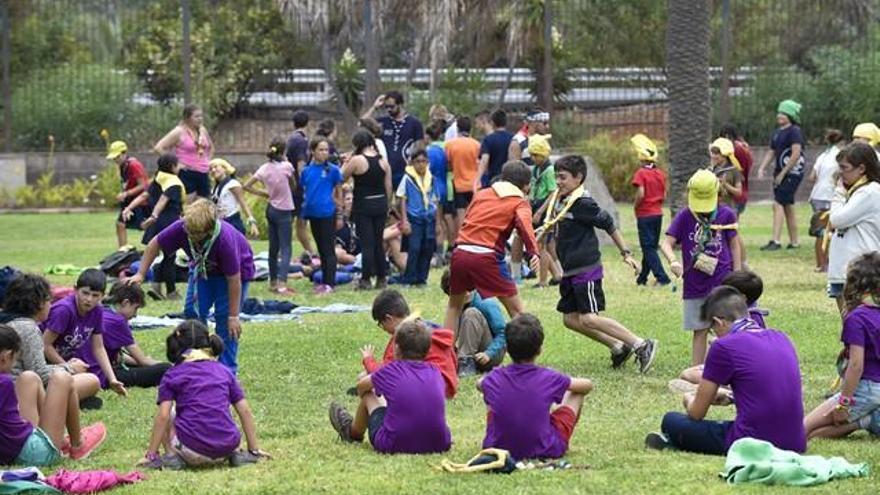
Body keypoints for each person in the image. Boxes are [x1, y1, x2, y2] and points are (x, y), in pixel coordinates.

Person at [645, 286, 806, 455]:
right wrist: (731, 396)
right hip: (795, 441)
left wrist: (688, 398)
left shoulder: (723, 346)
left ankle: (674, 441)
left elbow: (696, 413)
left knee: (671, 420)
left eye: (713, 330)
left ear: (719, 322)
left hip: (752, 441)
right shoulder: (781, 337)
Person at [538, 155, 658, 373]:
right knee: (570, 319)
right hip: (570, 270)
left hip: (586, 268)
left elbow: (608, 224)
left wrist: (626, 253)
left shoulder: (583, 202)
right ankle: (617, 346)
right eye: (556, 177)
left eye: (563, 177)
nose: (558, 181)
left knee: (589, 318)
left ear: (578, 178)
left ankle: (641, 344)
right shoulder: (561, 199)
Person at [129, 199, 255, 375]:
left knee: (225, 320)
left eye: (196, 234)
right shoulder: (184, 226)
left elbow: (234, 280)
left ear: (209, 230)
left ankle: (227, 370)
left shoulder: (225, 239)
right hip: (201, 270)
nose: (191, 236)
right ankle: (200, 359)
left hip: (234, 275)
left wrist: (233, 316)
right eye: (189, 231)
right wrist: (141, 274)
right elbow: (153, 245)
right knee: (193, 311)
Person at [139, 320, 268, 469]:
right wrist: (254, 450)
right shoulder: (224, 371)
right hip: (227, 449)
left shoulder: (172, 374)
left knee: (169, 412)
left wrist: (151, 455)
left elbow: (163, 416)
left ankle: (170, 456)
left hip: (191, 451)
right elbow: (244, 410)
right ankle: (238, 454)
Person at [443, 161, 541, 336]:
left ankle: (445, 358)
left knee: (454, 306)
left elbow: (467, 219)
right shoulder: (519, 202)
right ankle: (525, 358)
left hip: (460, 253)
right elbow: (525, 226)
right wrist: (534, 252)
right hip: (486, 257)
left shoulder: (481, 194)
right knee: (518, 312)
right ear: (527, 186)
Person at [478, 314, 592, 460]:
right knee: (576, 392)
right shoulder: (549, 377)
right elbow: (587, 385)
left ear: (507, 348)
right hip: (546, 448)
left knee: (491, 392)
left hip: (496, 448)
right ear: (539, 349)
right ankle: (563, 440)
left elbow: (480, 384)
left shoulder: (495, 377)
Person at [329, 320, 452, 454]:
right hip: (439, 443)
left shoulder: (390, 371)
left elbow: (361, 386)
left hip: (393, 443)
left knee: (369, 394)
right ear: (427, 350)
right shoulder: (435, 372)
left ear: (397, 349)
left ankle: (352, 433)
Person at [661, 170, 742, 366]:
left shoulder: (726, 214)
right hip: (695, 286)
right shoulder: (685, 216)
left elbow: (734, 245)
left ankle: (729, 370)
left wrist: (737, 275)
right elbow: (666, 243)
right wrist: (673, 261)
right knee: (700, 330)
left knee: (727, 329)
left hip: (722, 283)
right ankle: (697, 372)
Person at [0, 325, 107, 464]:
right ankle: (78, 444)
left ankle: (59, 439)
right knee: (62, 379)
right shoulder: (4, 382)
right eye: (13, 360)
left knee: (28, 378)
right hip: (33, 454)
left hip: (13, 447)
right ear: (5, 357)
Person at [804, 252, 880, 440]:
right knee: (813, 434)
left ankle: (865, 417)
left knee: (802, 429)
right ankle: (865, 420)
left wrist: (843, 404)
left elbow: (856, 366)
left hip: (866, 389)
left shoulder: (856, 318)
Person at [2, 274, 101, 404]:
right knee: (91, 380)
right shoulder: (28, 329)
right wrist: (71, 368)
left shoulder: (7, 321)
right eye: (49, 300)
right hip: (18, 395)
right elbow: (40, 374)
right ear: (39, 303)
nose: (51, 305)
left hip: (11, 388)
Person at [672, 270, 769, 398]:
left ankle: (722, 390)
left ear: (742, 298)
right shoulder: (756, 317)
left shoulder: (735, 318)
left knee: (687, 374)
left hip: (743, 373)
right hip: (756, 372)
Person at [41, 269, 128, 407]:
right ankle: (50, 398)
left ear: (102, 296)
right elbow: (45, 345)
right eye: (85, 293)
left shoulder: (97, 310)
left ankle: (62, 397)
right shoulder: (64, 310)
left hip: (62, 367)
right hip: (44, 366)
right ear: (75, 289)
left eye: (95, 295)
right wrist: (67, 367)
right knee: (91, 383)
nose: (89, 299)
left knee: (93, 389)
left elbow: (98, 347)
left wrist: (112, 379)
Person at [361, 290, 458, 399]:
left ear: (389, 318)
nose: (382, 328)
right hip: (447, 385)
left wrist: (368, 359)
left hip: (428, 389)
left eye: (381, 323)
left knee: (364, 377)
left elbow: (386, 371)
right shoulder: (425, 326)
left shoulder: (403, 334)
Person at [122, 153, 185, 301]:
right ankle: (171, 292)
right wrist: (154, 215)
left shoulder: (159, 179)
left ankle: (156, 286)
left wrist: (128, 208)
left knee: (162, 256)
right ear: (172, 167)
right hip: (168, 221)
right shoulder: (173, 182)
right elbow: (163, 200)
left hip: (157, 223)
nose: (180, 166)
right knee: (170, 257)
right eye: (178, 164)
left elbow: (144, 196)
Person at [826, 141, 880, 315]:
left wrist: (839, 192)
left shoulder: (870, 192)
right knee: (850, 324)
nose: (840, 173)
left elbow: (836, 219)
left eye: (844, 168)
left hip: (862, 271)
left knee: (859, 324)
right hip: (846, 269)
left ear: (862, 169)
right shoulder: (857, 191)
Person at [88, 283, 170, 389]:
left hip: (90, 370)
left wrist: (137, 361)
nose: (135, 315)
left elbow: (116, 355)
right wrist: (161, 364)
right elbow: (143, 361)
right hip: (103, 375)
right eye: (135, 308)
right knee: (165, 369)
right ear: (126, 303)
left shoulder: (102, 311)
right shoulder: (117, 321)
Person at [243, 138, 296, 296]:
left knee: (273, 248)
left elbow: (246, 186)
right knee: (286, 248)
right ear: (284, 151)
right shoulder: (287, 167)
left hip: (271, 208)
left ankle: (273, 282)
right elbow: (293, 185)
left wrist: (264, 193)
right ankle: (282, 284)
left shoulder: (264, 168)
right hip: (284, 210)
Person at [342, 130, 392, 290]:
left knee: (367, 243)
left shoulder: (357, 160)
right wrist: (387, 205)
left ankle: (365, 279)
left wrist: (345, 162)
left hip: (363, 205)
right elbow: (388, 187)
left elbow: (341, 177)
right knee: (378, 241)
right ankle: (382, 278)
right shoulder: (383, 161)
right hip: (381, 203)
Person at [757, 100, 806, 251]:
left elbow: (796, 153)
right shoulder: (778, 133)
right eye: (779, 112)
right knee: (787, 207)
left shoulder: (794, 131)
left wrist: (783, 173)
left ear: (790, 115)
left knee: (777, 203)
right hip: (780, 173)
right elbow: (772, 151)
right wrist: (762, 167)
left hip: (791, 174)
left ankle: (775, 241)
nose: (779, 115)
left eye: (783, 113)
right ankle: (794, 242)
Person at [440, 269, 507, 376]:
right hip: (472, 351)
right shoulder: (454, 305)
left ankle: (466, 362)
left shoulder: (485, 302)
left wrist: (489, 353)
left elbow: (504, 332)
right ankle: (458, 360)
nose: (466, 292)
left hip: (490, 355)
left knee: (471, 313)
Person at [301, 138, 344, 295]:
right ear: (313, 151)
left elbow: (339, 191)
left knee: (328, 249)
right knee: (320, 248)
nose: (324, 153)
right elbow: (305, 190)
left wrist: (339, 214)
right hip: (313, 214)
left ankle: (330, 283)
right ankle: (325, 280)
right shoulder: (306, 171)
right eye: (321, 150)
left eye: (326, 150)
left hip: (327, 213)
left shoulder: (332, 170)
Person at [630, 134, 671, 287]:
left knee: (647, 248)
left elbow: (641, 193)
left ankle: (662, 278)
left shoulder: (641, 173)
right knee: (651, 247)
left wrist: (636, 205)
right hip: (658, 213)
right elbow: (665, 193)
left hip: (645, 214)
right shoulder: (660, 173)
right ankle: (642, 278)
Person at [362, 91, 424, 188]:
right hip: (384, 169)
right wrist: (375, 107)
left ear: (400, 104)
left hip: (406, 170)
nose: (389, 109)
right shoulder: (383, 122)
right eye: (386, 107)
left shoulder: (414, 123)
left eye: (392, 106)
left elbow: (420, 147)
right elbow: (362, 122)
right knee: (386, 200)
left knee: (403, 200)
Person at [154, 104, 213, 200]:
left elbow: (210, 147)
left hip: (203, 172)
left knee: (204, 206)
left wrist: (208, 161)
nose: (200, 119)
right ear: (187, 118)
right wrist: (176, 163)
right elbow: (159, 147)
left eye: (201, 116)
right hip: (187, 172)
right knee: (189, 206)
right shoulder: (179, 131)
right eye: (196, 116)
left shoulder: (202, 130)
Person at [396, 150, 437, 286]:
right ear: (412, 163)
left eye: (423, 161)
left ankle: (422, 278)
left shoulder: (431, 178)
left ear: (427, 162)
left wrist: (437, 220)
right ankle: (409, 278)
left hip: (429, 217)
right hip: (414, 218)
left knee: (428, 247)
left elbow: (435, 199)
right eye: (417, 162)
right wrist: (404, 220)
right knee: (414, 248)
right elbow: (402, 198)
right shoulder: (408, 178)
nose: (421, 165)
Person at [528, 135, 563, 288]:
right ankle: (556, 275)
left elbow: (552, 193)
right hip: (536, 206)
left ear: (542, 154)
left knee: (541, 246)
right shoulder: (536, 169)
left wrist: (540, 212)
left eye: (535, 155)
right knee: (542, 245)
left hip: (545, 210)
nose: (533, 158)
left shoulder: (549, 171)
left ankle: (542, 281)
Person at [808, 129, 845, 273]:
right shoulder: (840, 156)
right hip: (830, 196)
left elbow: (812, 177)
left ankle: (820, 263)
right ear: (842, 142)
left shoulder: (822, 155)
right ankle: (825, 264)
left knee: (820, 231)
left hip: (816, 195)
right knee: (829, 233)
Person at [286, 110, 317, 260]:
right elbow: (301, 164)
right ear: (308, 123)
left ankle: (310, 252)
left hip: (289, 185)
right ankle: (311, 253)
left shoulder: (291, 139)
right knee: (300, 222)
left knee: (297, 222)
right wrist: (306, 186)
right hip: (298, 187)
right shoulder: (301, 141)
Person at [107, 140, 149, 248]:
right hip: (129, 200)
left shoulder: (134, 165)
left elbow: (143, 185)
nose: (115, 160)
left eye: (117, 157)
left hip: (140, 201)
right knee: (120, 224)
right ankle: (122, 251)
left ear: (124, 153)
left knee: (144, 226)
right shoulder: (122, 166)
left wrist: (126, 193)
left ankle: (155, 250)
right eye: (114, 158)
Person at [425, 121, 455, 263]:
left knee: (436, 221)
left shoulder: (429, 151)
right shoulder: (446, 148)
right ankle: (446, 249)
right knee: (444, 218)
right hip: (445, 185)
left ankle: (438, 254)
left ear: (427, 136)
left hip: (433, 188)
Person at [209, 158, 258, 237]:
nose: (213, 170)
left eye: (216, 167)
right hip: (220, 222)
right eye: (211, 169)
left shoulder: (232, 184)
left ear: (224, 168)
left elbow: (243, 203)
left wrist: (252, 222)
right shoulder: (215, 188)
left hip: (232, 221)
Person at [446, 116, 482, 219]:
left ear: (457, 128)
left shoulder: (450, 145)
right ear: (471, 129)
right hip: (475, 185)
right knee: (475, 215)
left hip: (458, 186)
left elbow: (448, 165)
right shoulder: (477, 145)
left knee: (461, 216)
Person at [475, 109, 513, 191]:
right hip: (508, 180)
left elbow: (484, 160)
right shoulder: (513, 138)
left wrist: (477, 179)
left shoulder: (488, 140)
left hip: (493, 180)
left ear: (492, 123)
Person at [719, 124, 753, 214]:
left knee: (730, 224)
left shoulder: (735, 151)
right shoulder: (742, 149)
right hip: (738, 195)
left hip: (734, 197)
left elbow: (740, 173)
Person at [708, 137, 744, 210]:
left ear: (725, 154)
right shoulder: (710, 169)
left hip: (727, 209)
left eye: (716, 153)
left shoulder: (734, 170)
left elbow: (739, 192)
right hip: (710, 209)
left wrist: (725, 185)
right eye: (712, 153)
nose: (713, 156)